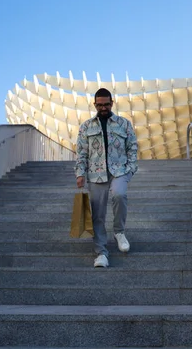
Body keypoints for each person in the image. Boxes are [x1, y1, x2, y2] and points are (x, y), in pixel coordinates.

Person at [74, 88, 138, 268]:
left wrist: (131, 169)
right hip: (96, 173)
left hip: (119, 170)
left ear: (112, 103)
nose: (103, 107)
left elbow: (132, 147)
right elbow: (81, 153)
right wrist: (80, 173)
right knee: (98, 214)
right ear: (94, 105)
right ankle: (101, 253)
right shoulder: (86, 127)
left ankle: (119, 232)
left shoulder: (124, 124)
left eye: (106, 104)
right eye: (100, 105)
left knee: (119, 195)